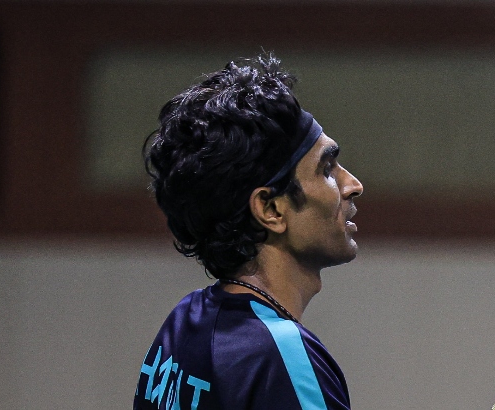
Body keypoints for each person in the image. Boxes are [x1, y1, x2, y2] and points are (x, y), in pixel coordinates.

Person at [134, 55, 362, 410]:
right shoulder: (279, 359)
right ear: (271, 209)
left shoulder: (183, 325)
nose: (353, 185)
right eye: (327, 169)